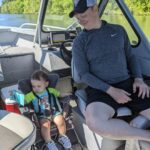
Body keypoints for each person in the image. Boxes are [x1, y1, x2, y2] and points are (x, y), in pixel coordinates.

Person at [70, 0, 150, 142]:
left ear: (95, 8)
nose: (80, 20)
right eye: (77, 17)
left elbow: (131, 57)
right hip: (100, 89)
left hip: (128, 84)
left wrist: (139, 79)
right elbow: (84, 74)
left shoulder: (118, 30)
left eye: (83, 15)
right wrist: (111, 90)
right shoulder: (79, 41)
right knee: (95, 122)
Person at [25, 70, 72, 150]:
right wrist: (18, 98)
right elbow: (24, 100)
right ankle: (49, 141)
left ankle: (62, 136)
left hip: (54, 112)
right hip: (42, 115)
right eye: (33, 86)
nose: (36, 88)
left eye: (38, 86)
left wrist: (66, 94)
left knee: (61, 120)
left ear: (46, 84)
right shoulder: (31, 95)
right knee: (45, 125)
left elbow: (59, 94)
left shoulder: (50, 90)